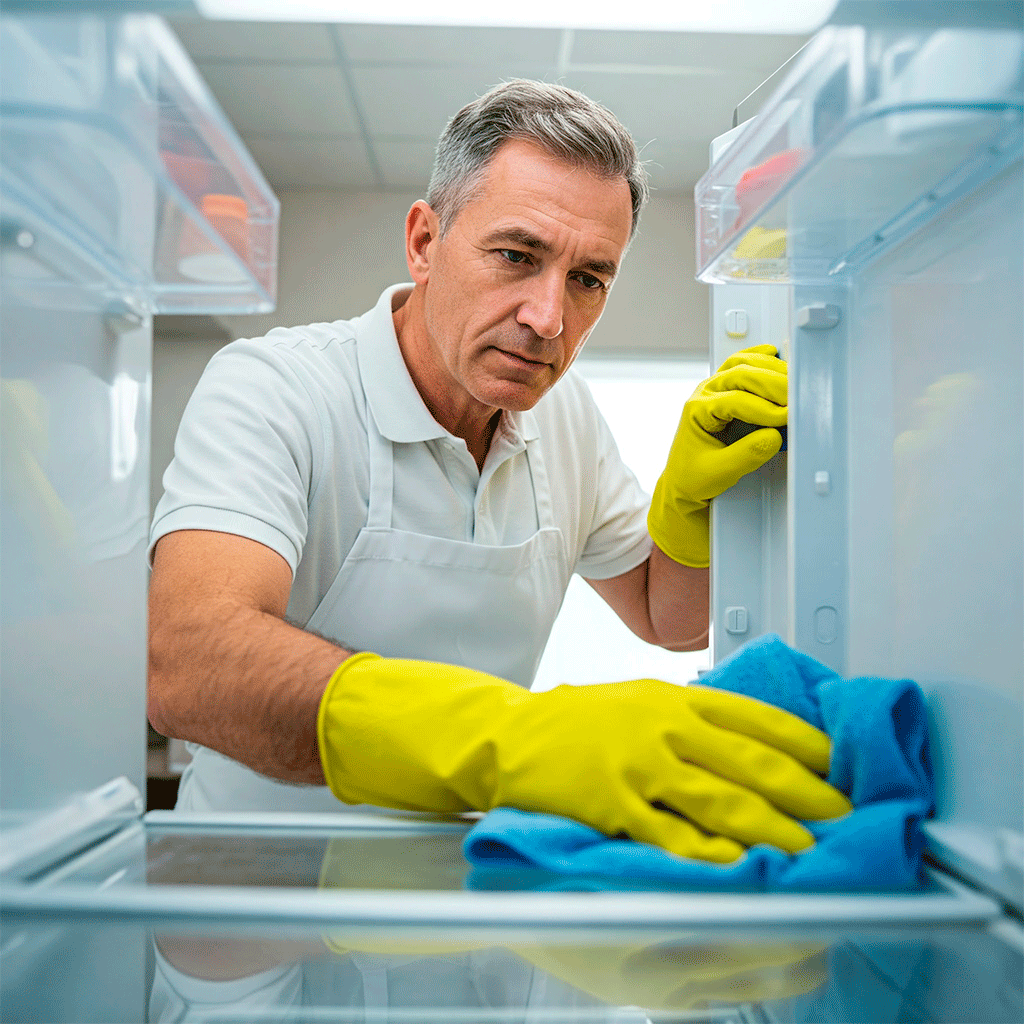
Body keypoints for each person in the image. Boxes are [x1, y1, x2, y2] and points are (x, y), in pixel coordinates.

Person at [148, 79, 850, 861]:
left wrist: (688, 510)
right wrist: (513, 736)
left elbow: (670, 620)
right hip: (254, 881)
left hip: (459, 877)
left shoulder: (566, 414)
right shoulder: (280, 387)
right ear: (424, 242)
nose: (548, 318)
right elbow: (187, 664)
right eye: (517, 256)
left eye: (588, 279)